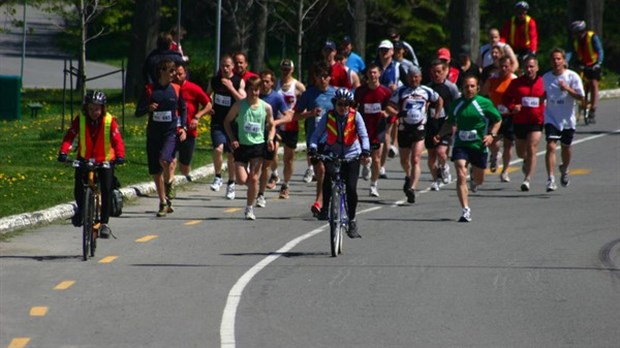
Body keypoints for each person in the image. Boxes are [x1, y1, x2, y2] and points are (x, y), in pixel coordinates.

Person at [435, 74, 502, 222]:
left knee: (479, 180)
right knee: (460, 171)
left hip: (479, 145)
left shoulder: (484, 103)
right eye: (466, 87)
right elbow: (449, 122)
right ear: (462, 89)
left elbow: (497, 120)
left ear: (477, 88)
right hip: (461, 144)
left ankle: (474, 179)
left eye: (472, 86)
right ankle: (465, 209)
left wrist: (491, 135)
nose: (469, 89)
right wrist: (439, 135)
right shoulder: (457, 104)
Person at [58, 90, 125, 238]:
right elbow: (70, 136)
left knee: (107, 188)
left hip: (105, 160)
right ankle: (82, 211)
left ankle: (104, 223)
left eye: (97, 109)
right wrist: (63, 152)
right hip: (84, 158)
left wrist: (120, 156)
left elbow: (117, 140)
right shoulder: (80, 119)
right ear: (86, 108)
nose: (94, 112)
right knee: (78, 185)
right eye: (91, 109)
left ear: (102, 108)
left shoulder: (109, 121)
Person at [308, 88, 370, 239]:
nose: (343, 107)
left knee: (350, 188)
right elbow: (316, 135)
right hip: (333, 153)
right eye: (340, 104)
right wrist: (313, 148)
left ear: (350, 105)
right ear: (335, 103)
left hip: (352, 155)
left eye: (346, 104)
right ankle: (324, 209)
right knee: (328, 178)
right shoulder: (328, 116)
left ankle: (352, 220)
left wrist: (366, 150)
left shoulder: (356, 116)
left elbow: (363, 135)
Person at [135, 58, 187, 217]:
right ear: (161, 71)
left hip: (170, 133)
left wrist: (183, 127)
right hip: (153, 134)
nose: (174, 74)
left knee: (165, 160)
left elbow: (183, 109)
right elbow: (138, 112)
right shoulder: (150, 89)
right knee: (156, 171)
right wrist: (148, 108)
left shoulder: (176, 89)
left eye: (175, 71)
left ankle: (170, 183)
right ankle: (163, 202)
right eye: (171, 71)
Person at [387, 66, 442, 203]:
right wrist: (397, 114)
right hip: (404, 128)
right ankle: (408, 175)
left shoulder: (426, 91)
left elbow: (439, 99)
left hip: (419, 128)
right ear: (407, 78)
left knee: (416, 159)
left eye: (416, 76)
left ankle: (412, 188)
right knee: (404, 161)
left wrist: (436, 114)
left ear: (421, 77)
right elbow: (388, 107)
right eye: (411, 76)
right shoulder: (401, 91)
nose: (414, 79)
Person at [223, 76, 275, 220]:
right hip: (241, 145)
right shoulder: (239, 105)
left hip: (258, 146)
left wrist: (270, 139)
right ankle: (254, 188)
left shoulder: (266, 107)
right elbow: (227, 122)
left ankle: (249, 208)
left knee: (253, 178)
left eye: (257, 90)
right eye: (251, 90)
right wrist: (232, 138)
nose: (254, 93)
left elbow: (272, 126)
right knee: (241, 179)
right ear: (247, 90)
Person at [294, 61, 337, 216]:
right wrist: (310, 114)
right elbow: (296, 115)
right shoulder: (309, 94)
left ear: (330, 77)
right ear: (315, 77)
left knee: (330, 172)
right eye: (320, 76)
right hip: (315, 139)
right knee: (321, 170)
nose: (323, 79)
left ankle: (329, 199)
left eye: (325, 76)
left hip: (333, 140)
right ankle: (319, 201)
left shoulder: (336, 94)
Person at [542, 48, 584, 192]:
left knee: (566, 147)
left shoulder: (572, 76)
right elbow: (541, 96)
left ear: (564, 61)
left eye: (559, 59)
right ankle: (550, 179)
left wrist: (567, 89)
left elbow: (581, 97)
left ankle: (565, 168)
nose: (556, 62)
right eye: (553, 59)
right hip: (551, 117)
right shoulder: (545, 78)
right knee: (550, 146)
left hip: (567, 119)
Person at [502, 55, 545, 191]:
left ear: (537, 68)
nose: (529, 69)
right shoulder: (516, 83)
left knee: (532, 146)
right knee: (521, 152)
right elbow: (506, 98)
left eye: (532, 66)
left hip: (536, 121)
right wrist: (512, 107)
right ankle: (525, 160)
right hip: (520, 121)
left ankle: (527, 179)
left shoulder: (543, 82)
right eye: (526, 66)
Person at [207, 55, 246, 200]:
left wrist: (230, 88)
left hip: (232, 123)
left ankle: (231, 183)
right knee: (218, 148)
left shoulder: (238, 81)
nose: (225, 68)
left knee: (231, 155)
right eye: (222, 65)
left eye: (228, 66)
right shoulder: (215, 80)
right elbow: (207, 96)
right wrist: (208, 107)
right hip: (217, 121)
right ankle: (218, 177)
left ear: (232, 67)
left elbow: (243, 101)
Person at [354, 63, 393, 197]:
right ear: (367, 74)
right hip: (363, 128)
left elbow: (391, 109)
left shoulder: (385, 92)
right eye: (370, 72)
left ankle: (373, 185)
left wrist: (387, 114)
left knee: (376, 158)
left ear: (379, 74)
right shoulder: (360, 91)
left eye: (375, 72)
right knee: (363, 156)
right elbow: (353, 107)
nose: (372, 75)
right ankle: (365, 164)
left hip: (378, 129)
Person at [256, 69, 293, 208]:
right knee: (256, 166)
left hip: (270, 135)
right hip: (253, 136)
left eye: (267, 81)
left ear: (272, 83)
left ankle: (261, 194)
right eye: (263, 81)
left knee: (265, 165)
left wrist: (274, 123)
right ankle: (269, 178)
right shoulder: (255, 95)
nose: (265, 84)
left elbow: (288, 116)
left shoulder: (276, 97)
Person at [172, 64, 212, 182]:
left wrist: (197, 116)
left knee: (184, 166)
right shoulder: (169, 88)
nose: (178, 77)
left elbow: (208, 105)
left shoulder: (193, 88)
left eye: (180, 74)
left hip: (189, 131)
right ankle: (169, 184)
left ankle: (185, 177)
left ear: (185, 74)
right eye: (175, 74)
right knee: (170, 160)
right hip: (172, 130)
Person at [426, 59, 461, 191]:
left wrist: (455, 121)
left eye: (439, 72)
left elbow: (458, 104)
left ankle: (444, 166)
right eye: (434, 72)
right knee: (431, 157)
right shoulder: (428, 87)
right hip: (431, 124)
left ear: (444, 72)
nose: (436, 74)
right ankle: (436, 179)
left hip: (445, 124)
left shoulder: (451, 87)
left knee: (441, 152)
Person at [481, 56, 517, 182]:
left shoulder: (514, 79)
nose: (504, 69)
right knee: (493, 142)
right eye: (502, 66)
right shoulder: (493, 78)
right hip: (495, 115)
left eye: (506, 66)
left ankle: (505, 171)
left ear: (511, 66)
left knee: (508, 145)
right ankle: (495, 155)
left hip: (509, 115)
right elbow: (484, 93)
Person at [275, 59, 306, 199]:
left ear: (292, 70)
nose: (285, 72)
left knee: (288, 159)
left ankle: (285, 184)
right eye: (283, 69)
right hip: (276, 124)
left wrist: (299, 112)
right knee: (271, 152)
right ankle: (274, 174)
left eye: (287, 69)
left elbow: (306, 101)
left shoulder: (297, 86)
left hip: (291, 125)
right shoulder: (275, 84)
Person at [375, 39, 404, 179]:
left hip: (391, 104)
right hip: (375, 104)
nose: (384, 53)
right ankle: (373, 161)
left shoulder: (398, 67)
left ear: (392, 51)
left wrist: (397, 89)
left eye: (386, 50)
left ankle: (381, 166)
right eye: (382, 50)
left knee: (385, 134)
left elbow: (407, 85)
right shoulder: (374, 66)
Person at [567, 20, 604, 123]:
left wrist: (598, 63)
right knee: (578, 84)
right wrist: (566, 61)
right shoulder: (575, 40)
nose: (574, 35)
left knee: (593, 84)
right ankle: (581, 104)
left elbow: (600, 50)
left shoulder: (592, 37)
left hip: (593, 64)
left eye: (575, 33)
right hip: (582, 63)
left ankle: (593, 108)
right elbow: (569, 51)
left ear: (580, 31)